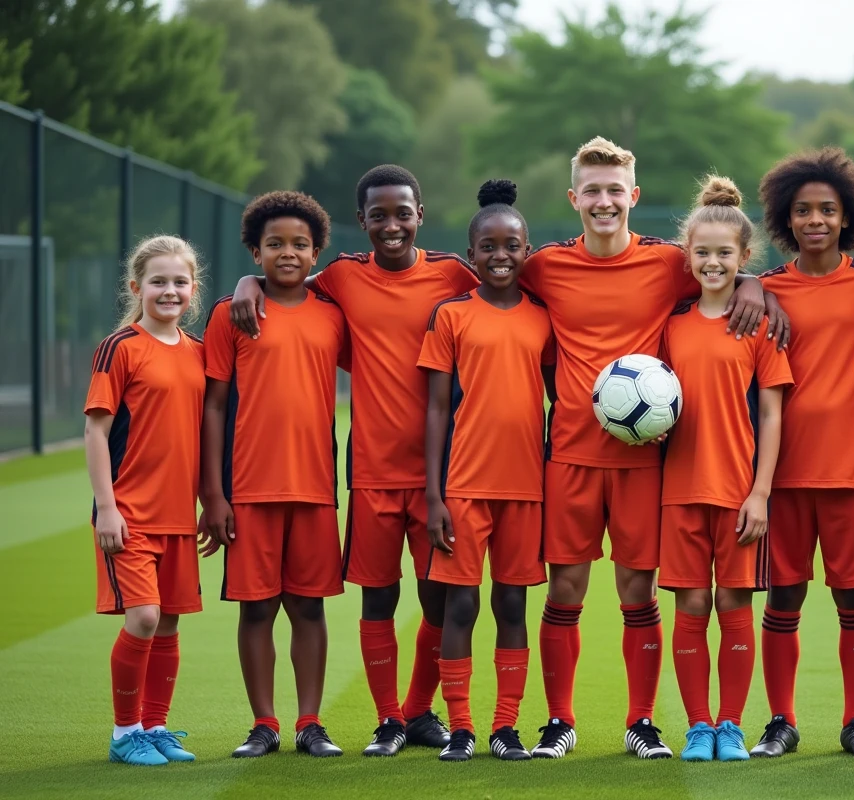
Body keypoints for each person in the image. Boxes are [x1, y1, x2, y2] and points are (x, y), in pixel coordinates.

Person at [517, 137, 788, 760]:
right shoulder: (546, 266)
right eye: (593, 190)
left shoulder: (669, 263)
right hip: (571, 459)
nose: (604, 201)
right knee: (565, 593)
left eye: (616, 190)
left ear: (633, 196)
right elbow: (488, 272)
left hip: (646, 465)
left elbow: (719, 260)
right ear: (574, 198)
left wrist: (752, 285)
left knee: (638, 595)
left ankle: (643, 722)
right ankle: (559, 722)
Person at [229, 166, 477, 755]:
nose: (392, 225)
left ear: (421, 213)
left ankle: (420, 711)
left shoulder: (453, 274)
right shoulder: (340, 276)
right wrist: (246, 281)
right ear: (361, 220)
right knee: (379, 595)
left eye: (402, 212)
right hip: (371, 469)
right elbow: (284, 279)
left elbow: (507, 285)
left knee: (439, 596)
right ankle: (390, 718)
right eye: (379, 215)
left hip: (446, 472)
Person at [753, 147, 854, 758]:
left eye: (828, 210)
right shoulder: (762, 289)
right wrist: (744, 282)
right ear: (787, 218)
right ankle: (781, 721)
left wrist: (851, 417)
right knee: (784, 597)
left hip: (850, 471)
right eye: (804, 209)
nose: (815, 219)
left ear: (849, 217)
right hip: (780, 476)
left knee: (853, 598)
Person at [201, 191, 348, 758]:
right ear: (255, 251)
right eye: (274, 245)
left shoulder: (334, 314)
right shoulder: (232, 313)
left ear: (316, 253)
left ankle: (310, 723)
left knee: (309, 606)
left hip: (313, 487)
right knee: (256, 607)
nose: (288, 253)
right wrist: (213, 493)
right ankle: (264, 723)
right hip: (249, 489)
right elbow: (213, 406)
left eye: (300, 245)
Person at [659, 177, 792, 763]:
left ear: (744, 258)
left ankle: (732, 725)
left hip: (738, 491)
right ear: (688, 257)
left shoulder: (757, 324)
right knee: (690, 608)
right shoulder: (672, 325)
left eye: (724, 253)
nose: (712, 262)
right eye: (702, 252)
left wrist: (761, 493)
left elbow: (771, 409)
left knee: (735, 607)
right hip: (679, 492)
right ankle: (698, 726)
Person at [420, 179, 554, 762]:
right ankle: (462, 729)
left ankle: (505, 729)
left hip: (526, 486)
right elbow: (435, 408)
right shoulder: (451, 314)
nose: (501, 256)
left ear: (527, 251)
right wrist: (433, 494)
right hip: (465, 486)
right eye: (489, 247)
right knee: (460, 606)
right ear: (470, 253)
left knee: (512, 606)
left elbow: (561, 395)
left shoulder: (544, 318)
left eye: (513, 246)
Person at [84, 235, 206, 766]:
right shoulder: (121, 347)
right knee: (144, 618)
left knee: (171, 620)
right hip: (129, 512)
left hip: (179, 514)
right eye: (158, 281)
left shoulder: (200, 353)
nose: (169, 290)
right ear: (136, 287)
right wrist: (106, 507)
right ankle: (124, 732)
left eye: (179, 281)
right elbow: (95, 431)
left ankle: (155, 728)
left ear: (193, 290)